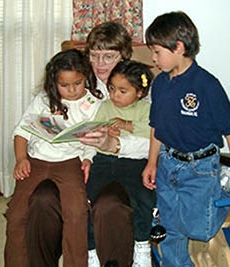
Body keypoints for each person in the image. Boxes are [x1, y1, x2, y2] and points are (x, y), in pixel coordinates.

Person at [25, 22, 152, 267]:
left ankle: (109, 258)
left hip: (120, 162)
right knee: (42, 199)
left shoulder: (139, 87)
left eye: (109, 56)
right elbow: (41, 111)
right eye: (95, 55)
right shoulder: (77, 81)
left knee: (108, 205)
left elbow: (156, 141)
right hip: (69, 159)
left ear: (123, 56)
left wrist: (114, 144)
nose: (101, 63)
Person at [141, 11, 230, 267]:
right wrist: (152, 162)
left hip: (200, 167)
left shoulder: (207, 85)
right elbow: (156, 127)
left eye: (157, 52)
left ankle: (220, 191)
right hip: (169, 163)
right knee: (171, 227)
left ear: (179, 47)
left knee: (198, 229)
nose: (153, 58)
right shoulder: (159, 84)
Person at [4, 49, 101, 267]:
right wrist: (21, 159)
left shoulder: (94, 103)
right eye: (64, 86)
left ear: (85, 76)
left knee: (76, 213)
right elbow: (22, 131)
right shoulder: (43, 100)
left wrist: (88, 159)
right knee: (17, 215)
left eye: (77, 83)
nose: (72, 90)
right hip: (36, 160)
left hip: (70, 162)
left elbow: (94, 138)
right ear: (54, 83)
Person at [86, 60, 156, 267]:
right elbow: (95, 129)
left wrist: (127, 125)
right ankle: (91, 250)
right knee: (89, 197)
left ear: (140, 93)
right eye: (112, 88)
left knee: (143, 196)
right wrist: (105, 132)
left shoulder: (146, 109)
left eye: (123, 91)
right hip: (103, 160)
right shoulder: (105, 106)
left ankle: (142, 245)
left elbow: (152, 133)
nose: (115, 95)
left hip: (134, 162)